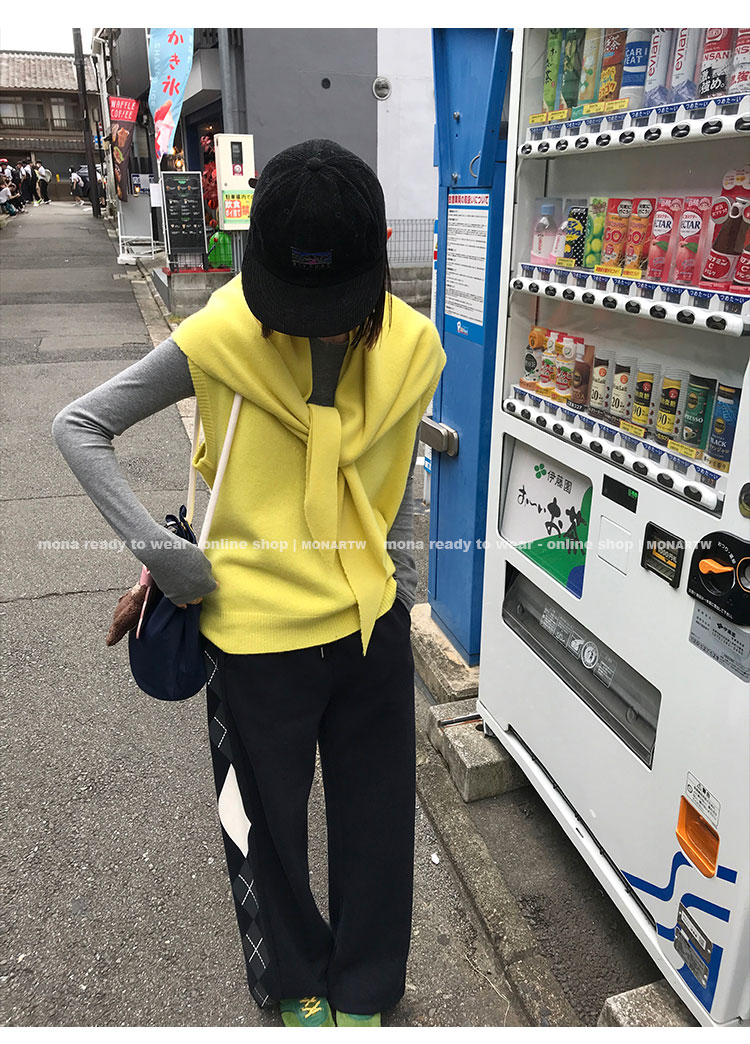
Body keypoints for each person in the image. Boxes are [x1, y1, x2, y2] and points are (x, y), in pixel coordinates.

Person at [52, 139, 445, 1029]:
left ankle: (343, 990)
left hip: (329, 631)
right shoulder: (232, 338)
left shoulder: (398, 346)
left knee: (349, 826)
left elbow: (398, 479)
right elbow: (78, 427)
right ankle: (321, 987)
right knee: (298, 827)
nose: (315, 326)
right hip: (284, 633)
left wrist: (400, 587)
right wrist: (165, 554)